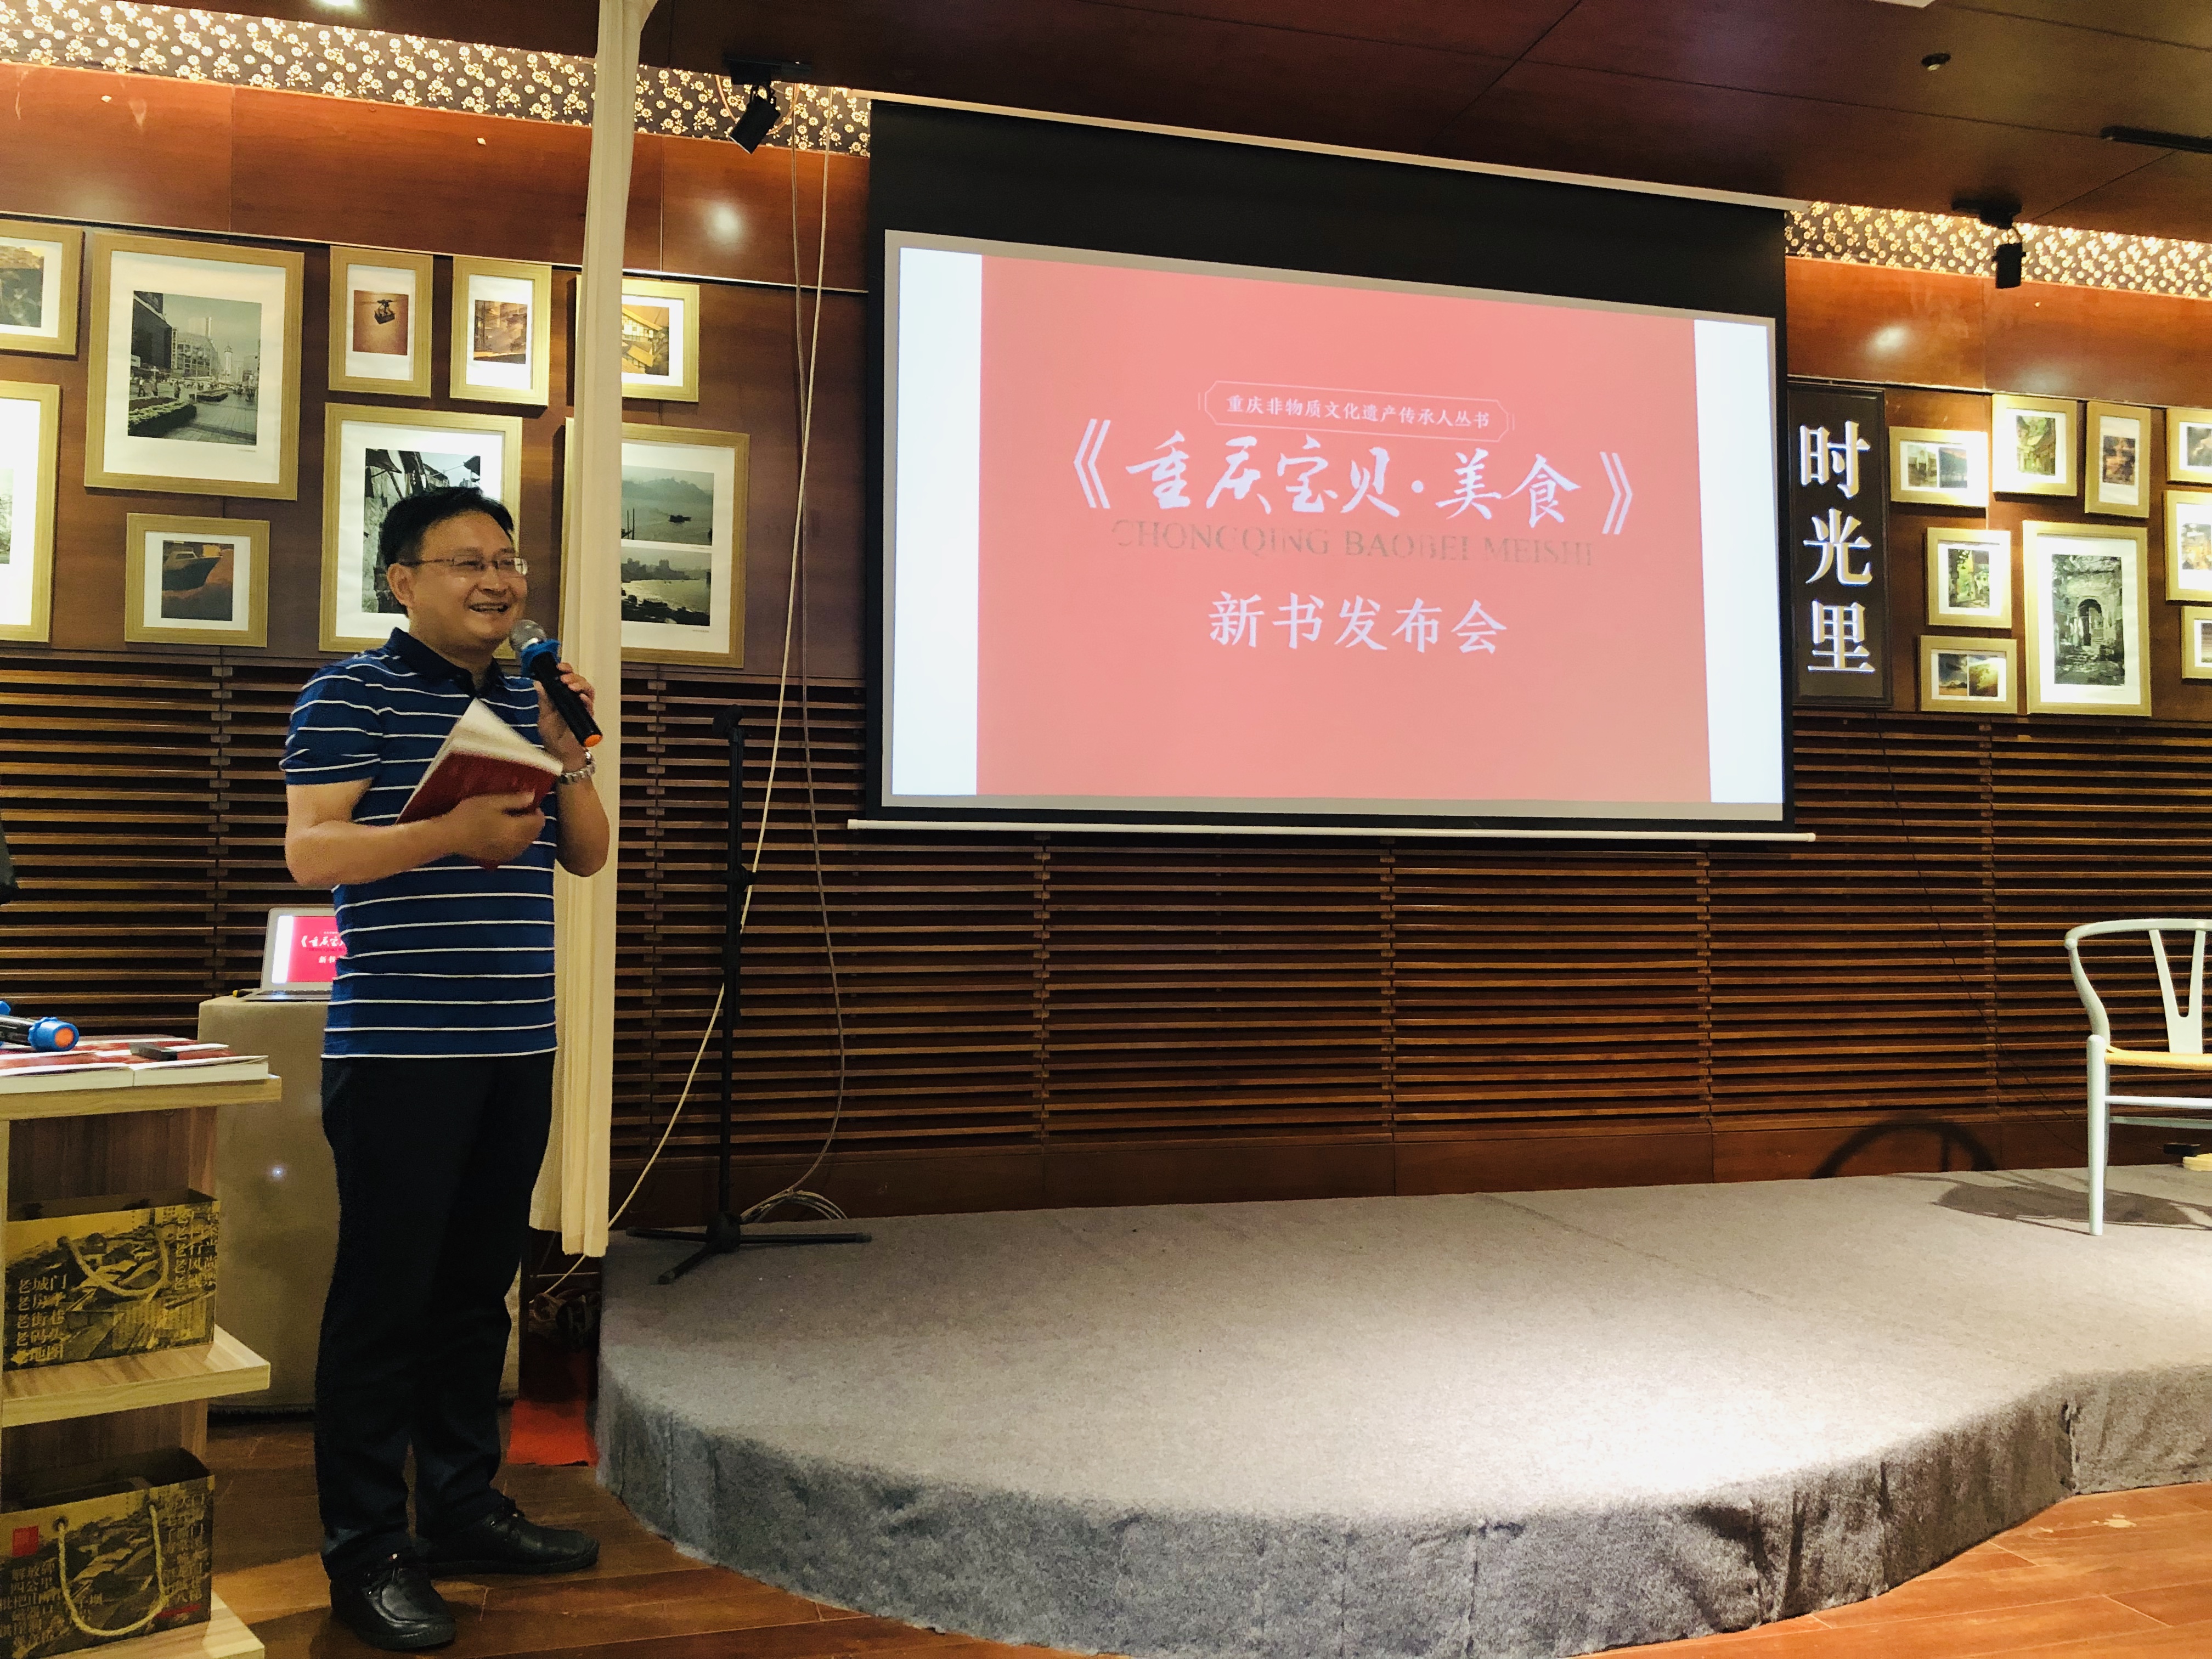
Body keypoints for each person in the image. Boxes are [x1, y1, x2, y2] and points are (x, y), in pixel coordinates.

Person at [283, 486, 612, 1651]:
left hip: (517, 1042)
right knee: (386, 1306)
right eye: (467, 561)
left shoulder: (527, 698)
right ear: (402, 580)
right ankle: (367, 1551)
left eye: (508, 560)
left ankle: (463, 1510)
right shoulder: (349, 693)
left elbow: (587, 857)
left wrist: (569, 756)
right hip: (401, 1051)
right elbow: (312, 850)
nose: (498, 580)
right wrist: (447, 835)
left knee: (478, 1294)